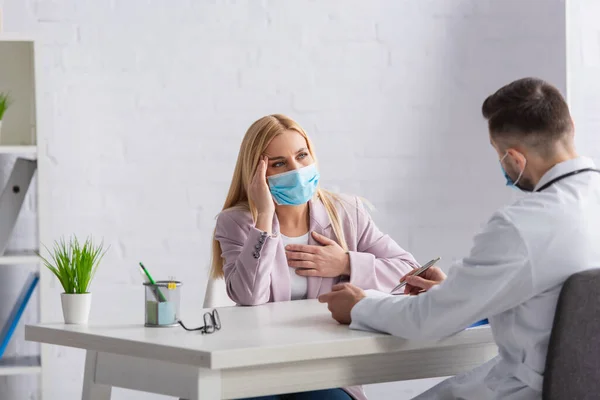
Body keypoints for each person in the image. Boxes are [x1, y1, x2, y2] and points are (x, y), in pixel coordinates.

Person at [318, 77, 600, 400]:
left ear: (515, 159)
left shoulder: (521, 226)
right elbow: (548, 299)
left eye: (499, 155)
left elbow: (429, 322)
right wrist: (456, 291)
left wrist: (360, 306)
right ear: (570, 126)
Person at [210, 114, 420, 400]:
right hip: (257, 365)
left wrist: (346, 262)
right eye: (279, 163)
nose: (296, 170)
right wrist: (265, 217)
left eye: (302, 155)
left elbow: (410, 270)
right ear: (257, 173)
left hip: (326, 368)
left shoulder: (346, 211)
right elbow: (248, 296)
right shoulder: (236, 221)